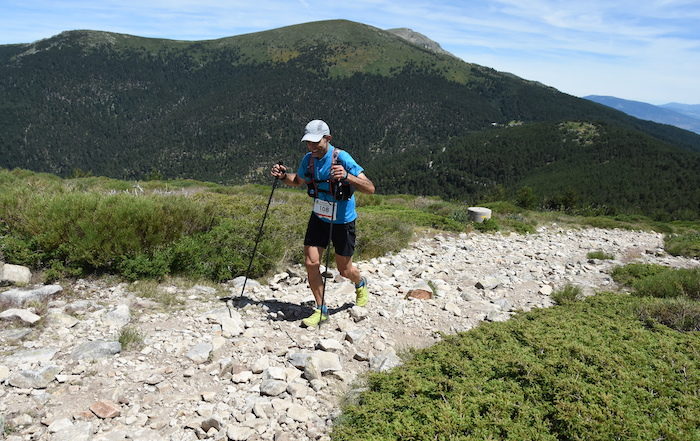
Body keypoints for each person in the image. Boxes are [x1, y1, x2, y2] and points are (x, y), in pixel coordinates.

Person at [271, 119, 375, 327]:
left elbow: (370, 188)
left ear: (328, 138)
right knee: (311, 263)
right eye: (308, 142)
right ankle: (321, 309)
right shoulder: (308, 160)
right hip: (319, 218)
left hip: (343, 221)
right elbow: (298, 181)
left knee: (344, 270)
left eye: (315, 142)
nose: (311, 147)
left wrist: (348, 177)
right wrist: (283, 176)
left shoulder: (342, 157)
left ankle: (360, 282)